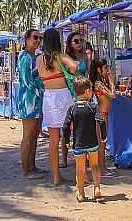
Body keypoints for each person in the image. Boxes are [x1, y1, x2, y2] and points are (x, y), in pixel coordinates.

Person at [37, 28, 79, 185]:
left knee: (53, 140)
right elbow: (74, 67)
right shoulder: (60, 56)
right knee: (75, 133)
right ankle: (80, 172)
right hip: (63, 96)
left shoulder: (39, 59)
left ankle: (56, 177)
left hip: (49, 97)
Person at [63, 77, 106, 202]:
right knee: (94, 165)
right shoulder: (93, 106)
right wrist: (104, 135)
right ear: (87, 91)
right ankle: (97, 187)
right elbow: (101, 121)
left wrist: (66, 140)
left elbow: (66, 126)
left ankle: (81, 192)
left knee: (80, 168)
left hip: (78, 144)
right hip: (92, 142)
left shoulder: (72, 108)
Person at [17, 29, 45, 179]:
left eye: (39, 38)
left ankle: (32, 166)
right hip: (28, 101)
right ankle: (26, 170)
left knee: (35, 135)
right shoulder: (24, 57)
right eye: (35, 37)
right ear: (26, 39)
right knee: (28, 135)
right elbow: (27, 81)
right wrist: (42, 88)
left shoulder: (35, 57)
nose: (37, 40)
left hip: (37, 101)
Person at [89, 58, 116, 172]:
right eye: (105, 68)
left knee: (102, 142)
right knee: (101, 142)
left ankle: (102, 166)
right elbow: (112, 95)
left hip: (104, 113)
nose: (108, 70)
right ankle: (101, 167)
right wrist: (112, 81)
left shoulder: (101, 81)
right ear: (99, 70)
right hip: (101, 114)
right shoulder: (98, 83)